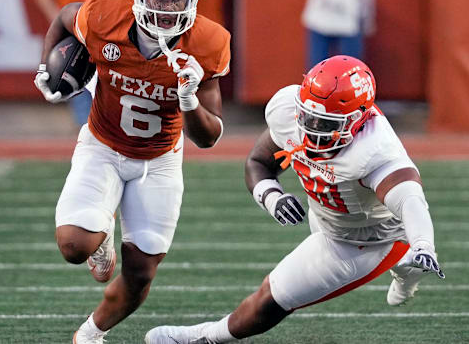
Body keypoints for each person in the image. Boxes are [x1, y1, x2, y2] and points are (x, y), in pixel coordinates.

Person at [145, 55, 445, 343]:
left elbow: (411, 202)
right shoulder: (288, 111)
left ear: (356, 120)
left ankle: (204, 337)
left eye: (325, 124)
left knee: (272, 298)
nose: (311, 129)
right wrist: (271, 197)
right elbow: (259, 162)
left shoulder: (375, 151)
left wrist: (423, 245)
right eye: (308, 117)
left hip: (365, 241)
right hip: (328, 213)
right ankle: (409, 268)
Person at [33, 0, 230, 344]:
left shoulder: (207, 42)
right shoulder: (105, 14)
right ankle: (100, 233)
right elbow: (64, 16)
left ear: (194, 0)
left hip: (160, 159)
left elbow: (209, 137)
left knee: (140, 273)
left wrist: (189, 99)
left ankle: (89, 335)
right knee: (74, 244)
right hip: (103, 144)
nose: (167, 6)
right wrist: (48, 69)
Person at [34, 0, 121, 127]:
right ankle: (86, 128)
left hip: (108, 29)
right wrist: (58, 21)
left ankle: (107, 128)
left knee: (111, 79)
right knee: (77, 75)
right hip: (76, 30)